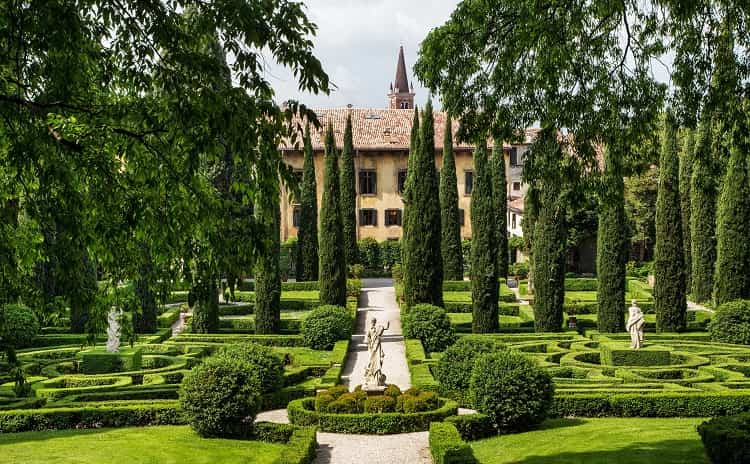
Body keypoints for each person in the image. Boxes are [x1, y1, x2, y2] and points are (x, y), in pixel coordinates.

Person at [364, 317, 389, 386]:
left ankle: (378, 376)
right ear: (371, 322)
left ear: (375, 322)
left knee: (379, 359)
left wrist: (387, 325)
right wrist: (369, 345)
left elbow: (385, 328)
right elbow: (368, 338)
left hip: (377, 346)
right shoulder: (369, 330)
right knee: (372, 361)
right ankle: (371, 375)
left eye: (374, 321)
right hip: (372, 347)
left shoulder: (378, 328)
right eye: (372, 321)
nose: (373, 323)